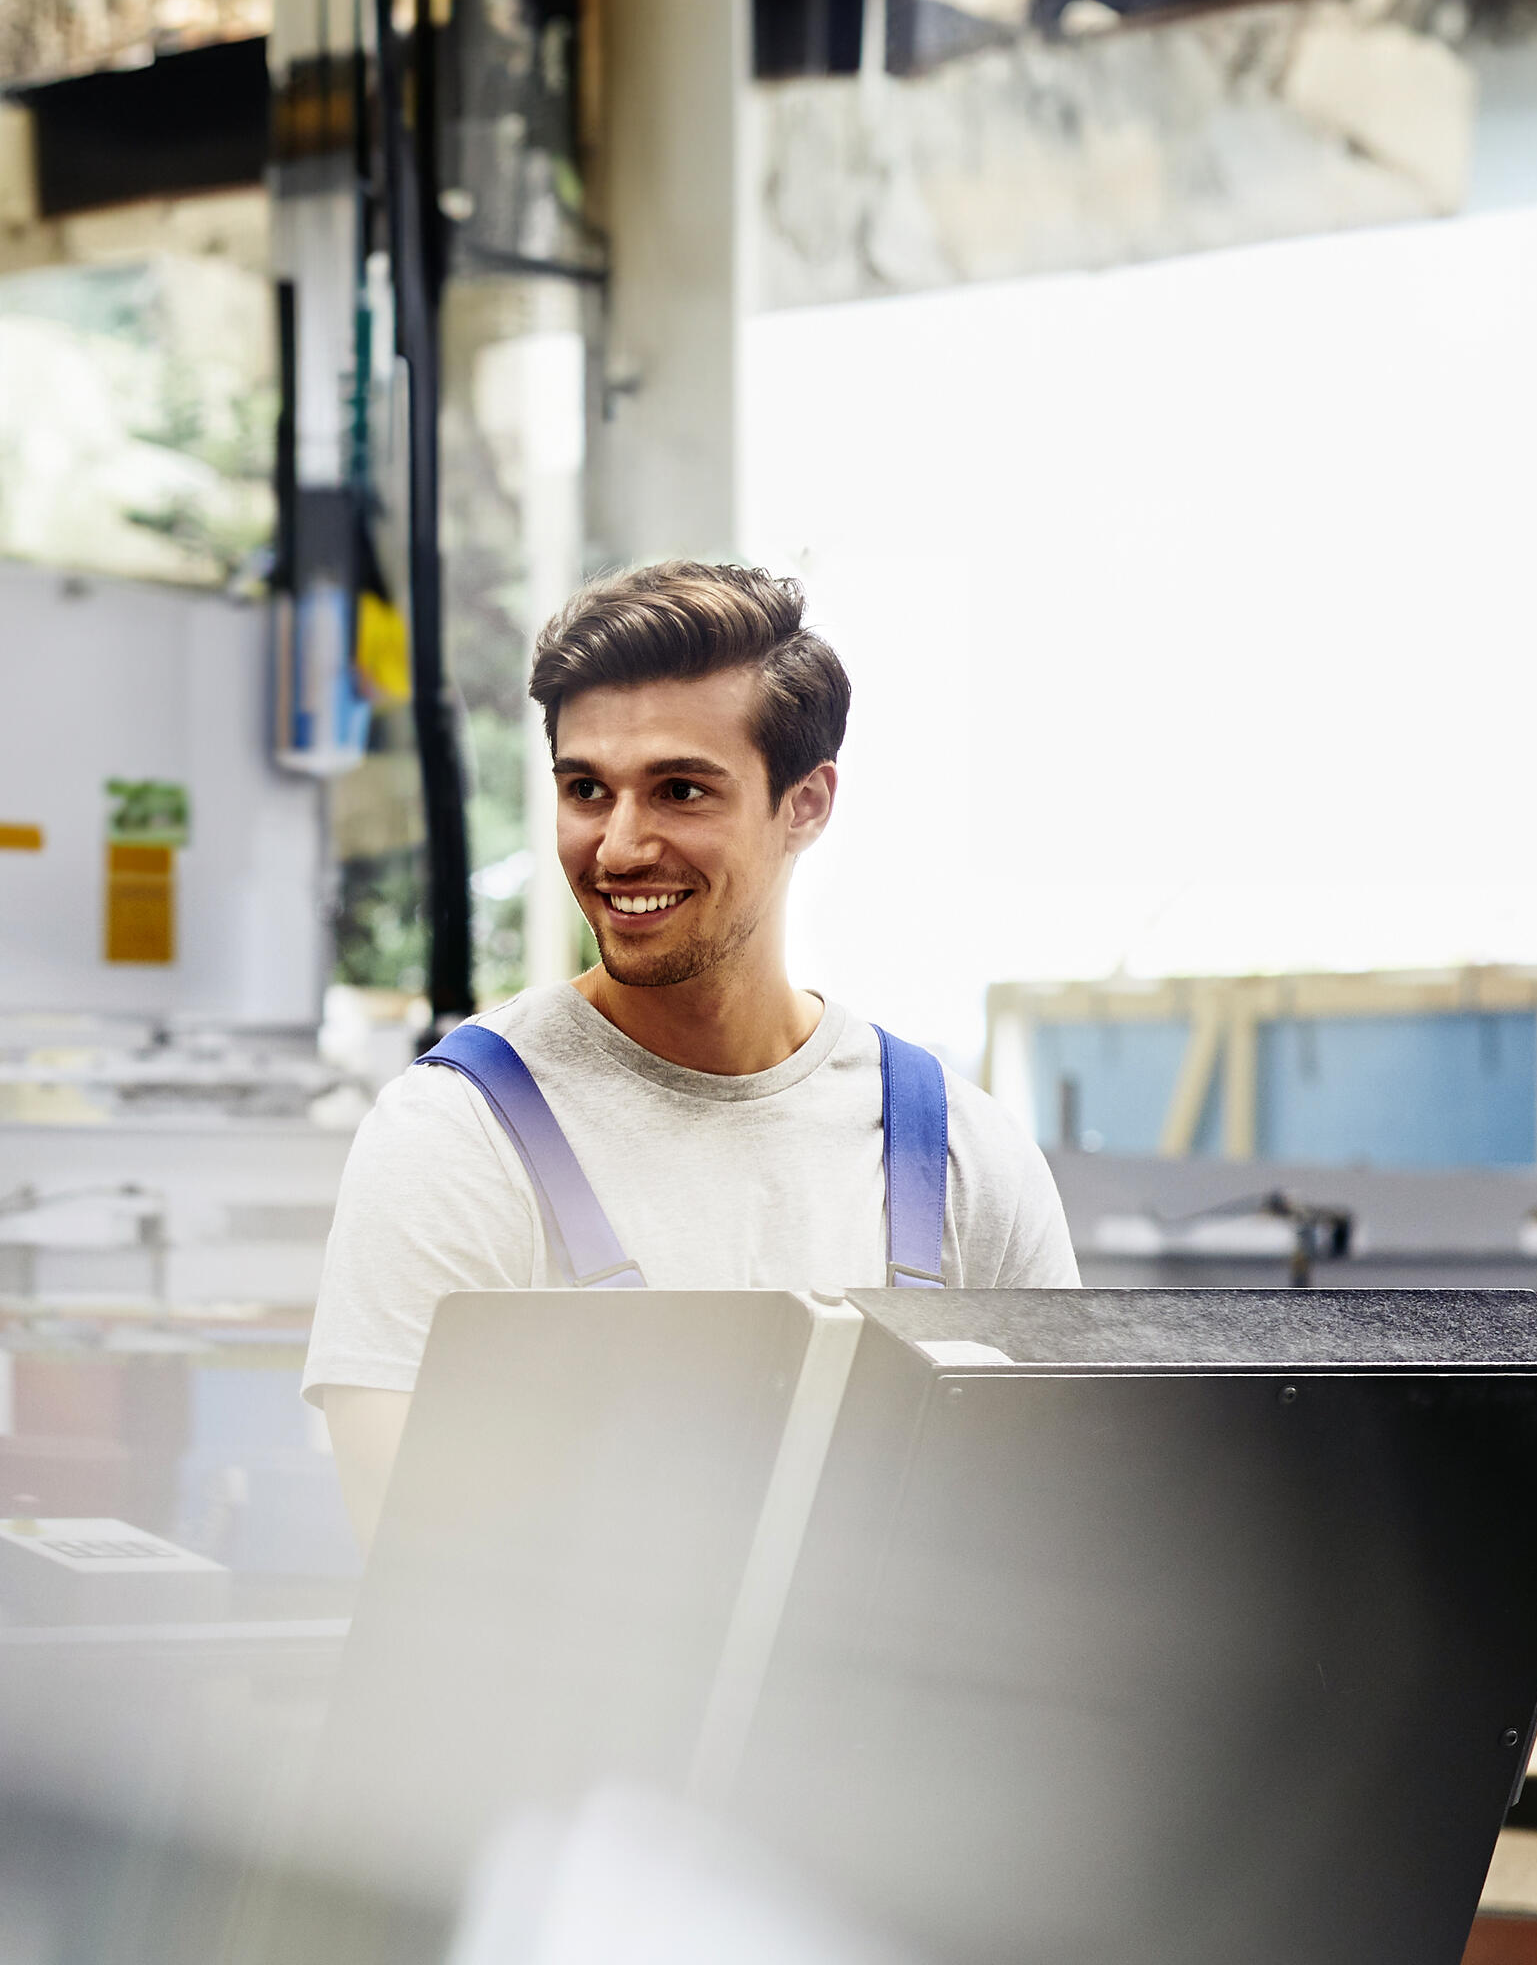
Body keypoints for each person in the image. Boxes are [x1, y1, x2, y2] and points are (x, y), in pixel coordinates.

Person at [304, 561, 1079, 1547]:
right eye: (587, 789)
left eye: (679, 790)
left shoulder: (965, 1157)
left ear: (805, 803)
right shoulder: (455, 1137)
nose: (620, 846)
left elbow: (1059, 1541)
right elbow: (418, 1569)